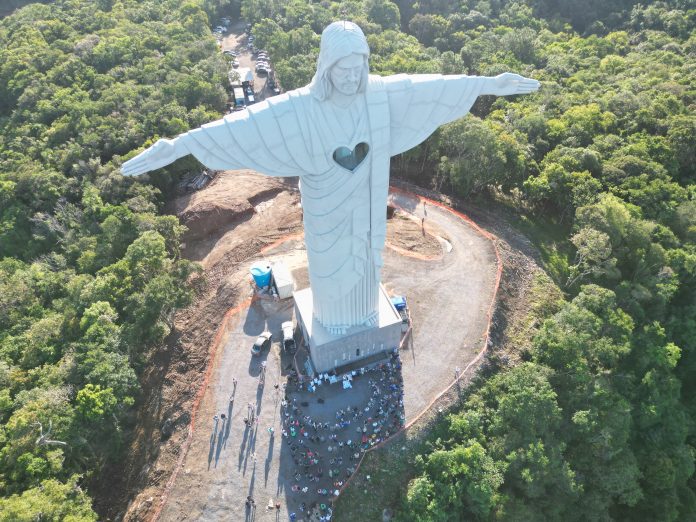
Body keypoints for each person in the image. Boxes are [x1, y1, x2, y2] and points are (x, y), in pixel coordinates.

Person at [121, 21, 539, 334]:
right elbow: (246, 124)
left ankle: (365, 320)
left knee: (365, 271)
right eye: (344, 70)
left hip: (368, 213)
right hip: (325, 214)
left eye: (359, 69)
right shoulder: (301, 107)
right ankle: (334, 322)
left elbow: (429, 88)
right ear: (327, 67)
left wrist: (488, 84)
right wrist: (180, 145)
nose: (352, 78)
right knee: (331, 275)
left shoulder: (378, 95)